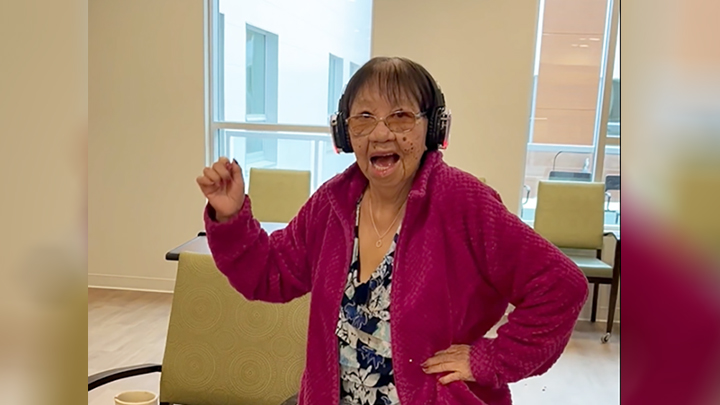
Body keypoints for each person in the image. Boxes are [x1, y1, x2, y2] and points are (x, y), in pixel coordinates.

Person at [196, 56, 588, 405]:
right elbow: (270, 276)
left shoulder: (464, 201)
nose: (381, 133)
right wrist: (231, 219)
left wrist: (489, 359)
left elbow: (561, 285)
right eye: (364, 118)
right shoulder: (332, 204)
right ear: (344, 133)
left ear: (432, 129)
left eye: (400, 116)